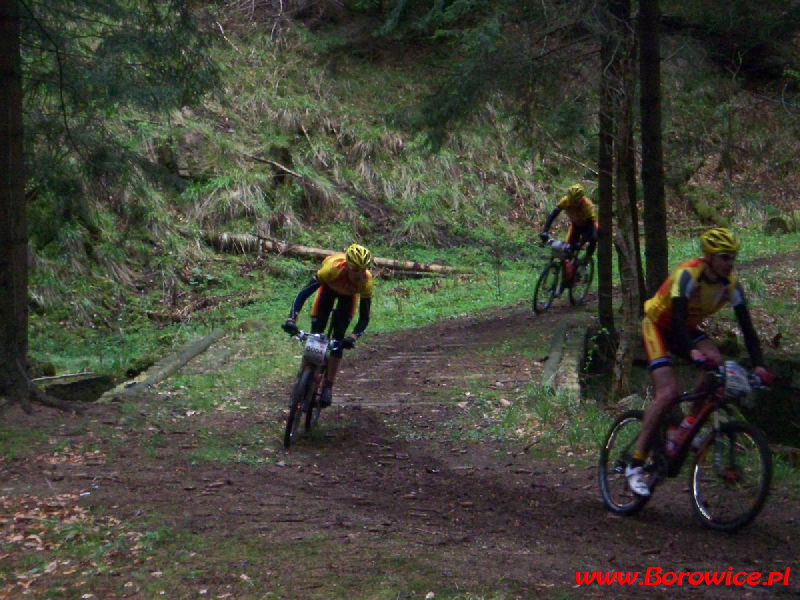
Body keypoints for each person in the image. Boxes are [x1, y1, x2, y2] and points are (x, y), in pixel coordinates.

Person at [626, 227, 776, 496]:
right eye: (725, 257)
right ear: (709, 257)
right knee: (668, 392)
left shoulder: (731, 285)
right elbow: (676, 319)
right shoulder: (688, 274)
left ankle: (688, 426)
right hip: (659, 326)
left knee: (717, 364)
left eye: (733, 257)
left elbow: (748, 329)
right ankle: (635, 464)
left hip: (686, 329)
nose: (730, 263)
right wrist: (692, 352)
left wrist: (759, 365)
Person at [281, 243, 374, 407]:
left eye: (363, 269)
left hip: (348, 299)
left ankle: (328, 385)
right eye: (355, 269)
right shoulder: (332, 269)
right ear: (347, 266)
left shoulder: (366, 282)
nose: (359, 274)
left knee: (338, 341)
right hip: (328, 291)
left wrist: (352, 337)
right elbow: (303, 294)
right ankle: (303, 378)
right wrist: (291, 319)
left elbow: (364, 317)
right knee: (316, 334)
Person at [539, 184, 598, 294]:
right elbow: (552, 215)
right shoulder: (565, 201)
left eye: (575, 202)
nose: (572, 204)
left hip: (589, 227)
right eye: (571, 201)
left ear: (581, 200)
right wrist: (545, 231)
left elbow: (591, 229)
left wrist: (581, 243)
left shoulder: (587, 206)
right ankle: (566, 281)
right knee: (567, 253)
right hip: (576, 226)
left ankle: (584, 263)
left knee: (594, 238)